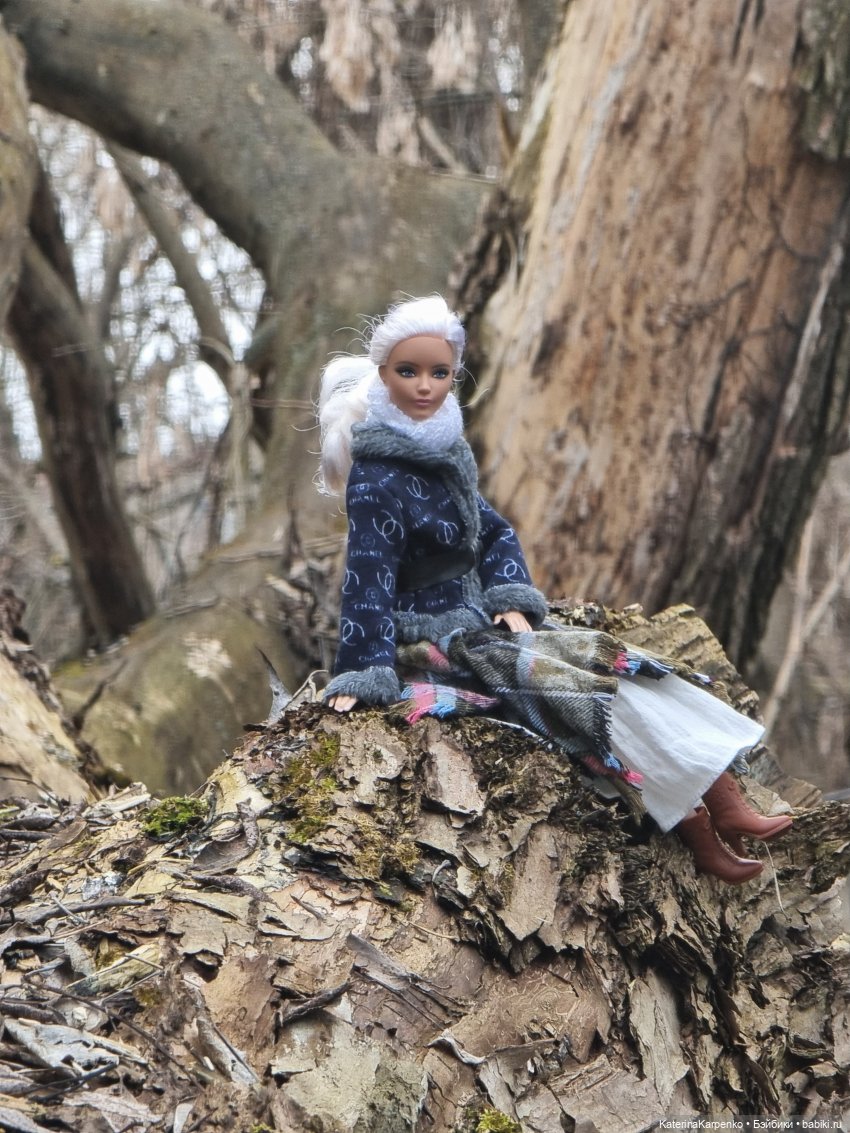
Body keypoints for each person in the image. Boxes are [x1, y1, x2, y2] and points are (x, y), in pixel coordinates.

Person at [316, 295, 792, 884]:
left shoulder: (446, 459)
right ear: (385, 375)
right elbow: (368, 578)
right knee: (575, 693)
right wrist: (363, 671)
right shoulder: (376, 481)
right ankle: (698, 828)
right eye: (407, 372)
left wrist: (510, 595)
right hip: (431, 643)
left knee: (613, 664)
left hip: (477, 622)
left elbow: (491, 531)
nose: (424, 386)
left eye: (439, 372)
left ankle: (725, 801)